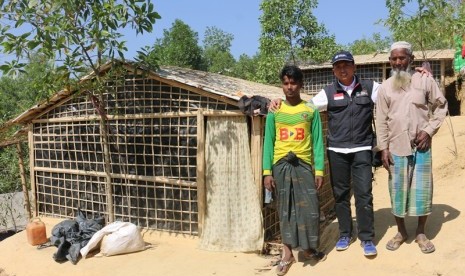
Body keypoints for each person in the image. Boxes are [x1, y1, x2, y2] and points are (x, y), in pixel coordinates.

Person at [376, 41, 448, 254]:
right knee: (397, 191)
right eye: (394, 58)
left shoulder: (425, 80)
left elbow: (441, 106)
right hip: (395, 148)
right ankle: (401, 231)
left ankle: (420, 232)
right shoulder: (385, 87)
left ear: (411, 59)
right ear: (390, 61)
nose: (398, 62)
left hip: (421, 148)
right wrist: (383, 148)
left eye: (402, 58)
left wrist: (429, 130)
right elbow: (380, 120)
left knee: (422, 191)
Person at [263, 65, 325, 275]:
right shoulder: (275, 111)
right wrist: (266, 172)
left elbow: (317, 142)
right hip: (281, 166)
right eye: (285, 83)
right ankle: (287, 254)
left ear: (301, 84)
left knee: (309, 209)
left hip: (304, 166)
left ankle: (308, 248)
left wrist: (319, 171)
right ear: (282, 85)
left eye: (293, 83)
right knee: (285, 209)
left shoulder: (310, 111)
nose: (289, 87)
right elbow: (268, 142)